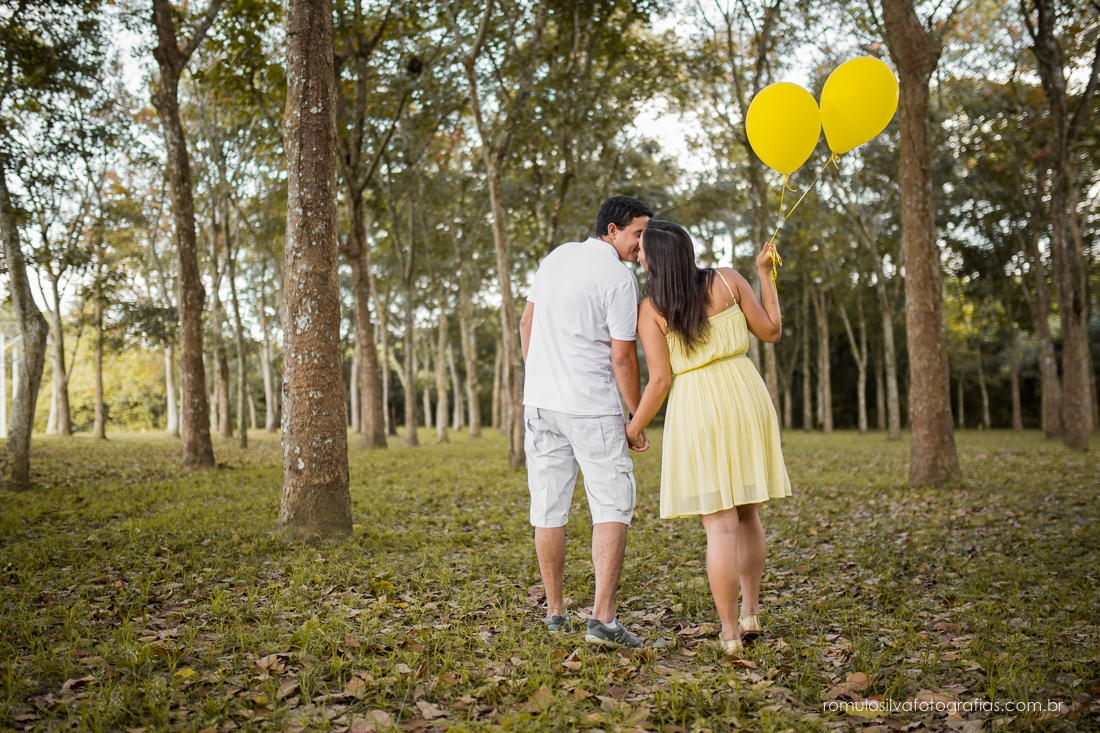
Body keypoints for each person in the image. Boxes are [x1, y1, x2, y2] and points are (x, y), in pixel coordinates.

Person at [625, 220, 792, 656]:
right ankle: (752, 611)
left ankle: (730, 633)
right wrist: (766, 275)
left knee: (719, 528)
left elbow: (659, 380)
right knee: (748, 513)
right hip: (746, 396)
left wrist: (635, 425)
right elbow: (772, 330)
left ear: (655, 259)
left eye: (642, 249)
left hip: (698, 407)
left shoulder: (651, 309)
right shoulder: (728, 280)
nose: (638, 255)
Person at [519, 195, 653, 649]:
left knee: (548, 507)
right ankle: (602, 619)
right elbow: (622, 355)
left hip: (540, 403)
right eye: (638, 233)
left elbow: (526, 323)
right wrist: (636, 412)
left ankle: (555, 612)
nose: (642, 243)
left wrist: (541, 374)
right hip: (591, 406)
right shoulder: (619, 277)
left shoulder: (556, 257)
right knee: (612, 503)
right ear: (612, 231)